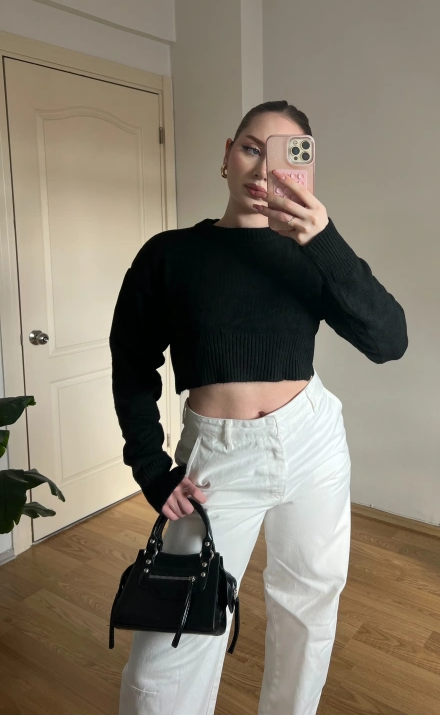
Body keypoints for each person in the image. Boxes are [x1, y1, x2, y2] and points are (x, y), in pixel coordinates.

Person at [109, 100, 408, 715]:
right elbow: (132, 364)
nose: (262, 169)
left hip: (312, 441)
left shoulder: (310, 254)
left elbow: (389, 341)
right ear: (227, 154)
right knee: (165, 653)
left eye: (283, 157)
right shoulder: (168, 255)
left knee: (309, 604)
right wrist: (150, 465)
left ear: (304, 170)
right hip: (217, 460)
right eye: (251, 147)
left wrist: (324, 240)